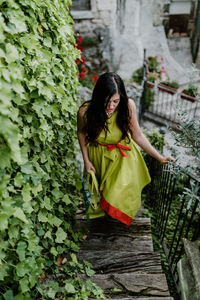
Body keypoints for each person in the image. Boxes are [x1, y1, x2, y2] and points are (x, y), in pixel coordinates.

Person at [77, 72, 174, 226]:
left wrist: (159, 157)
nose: (111, 106)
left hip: (122, 158)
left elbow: (138, 136)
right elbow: (81, 133)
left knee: (115, 194)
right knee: (99, 198)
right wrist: (86, 160)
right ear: (98, 97)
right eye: (106, 101)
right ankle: (104, 227)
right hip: (98, 156)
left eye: (115, 101)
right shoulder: (85, 111)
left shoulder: (128, 106)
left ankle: (116, 222)